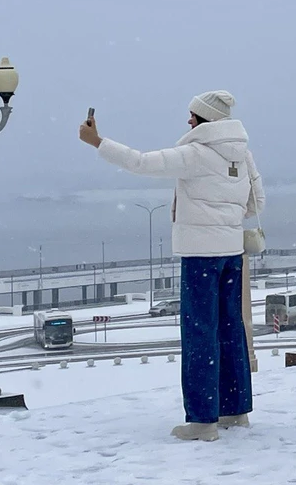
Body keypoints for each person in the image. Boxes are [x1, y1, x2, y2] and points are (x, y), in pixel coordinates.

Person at [79, 90, 265, 441]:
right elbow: (257, 204)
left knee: (200, 334)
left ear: (205, 120)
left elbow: (141, 162)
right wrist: (224, 217)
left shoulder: (196, 154)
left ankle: (203, 421)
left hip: (200, 256)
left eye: (192, 116)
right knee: (230, 330)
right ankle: (235, 410)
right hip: (231, 253)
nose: (188, 121)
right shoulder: (243, 155)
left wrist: (97, 142)